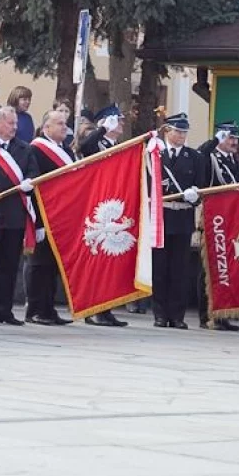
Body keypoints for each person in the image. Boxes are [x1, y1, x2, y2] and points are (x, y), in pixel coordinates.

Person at [0, 106, 38, 325]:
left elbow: (33, 172)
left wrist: (29, 182)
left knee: (9, 266)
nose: (15, 127)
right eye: (11, 123)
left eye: (15, 123)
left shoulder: (24, 148)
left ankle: (4, 310)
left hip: (14, 215)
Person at [77, 104, 130, 328]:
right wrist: (101, 129)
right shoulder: (97, 142)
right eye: (117, 120)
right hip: (97, 209)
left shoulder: (118, 146)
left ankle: (106, 309)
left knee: (109, 262)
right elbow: (83, 148)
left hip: (113, 206)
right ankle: (92, 309)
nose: (122, 124)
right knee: (96, 261)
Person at [25, 109, 73, 325]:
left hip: (62, 217)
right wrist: (37, 222)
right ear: (46, 127)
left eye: (65, 123)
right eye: (59, 123)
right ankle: (35, 310)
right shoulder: (36, 150)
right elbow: (35, 186)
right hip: (44, 215)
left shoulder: (66, 151)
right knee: (39, 265)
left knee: (53, 266)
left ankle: (48, 309)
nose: (65, 127)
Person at [152, 113, 201, 330]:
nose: (182, 135)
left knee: (179, 270)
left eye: (184, 132)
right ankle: (160, 314)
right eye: (178, 131)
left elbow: (200, 186)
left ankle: (177, 315)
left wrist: (195, 196)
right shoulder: (156, 155)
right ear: (167, 131)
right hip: (162, 217)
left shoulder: (194, 157)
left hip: (182, 217)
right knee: (160, 268)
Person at [195, 120, 239, 331]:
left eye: (235, 138)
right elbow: (199, 156)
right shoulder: (210, 156)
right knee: (209, 269)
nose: (234, 142)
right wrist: (214, 141)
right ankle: (207, 315)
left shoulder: (234, 161)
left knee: (226, 269)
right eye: (230, 138)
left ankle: (222, 314)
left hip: (230, 219)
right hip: (213, 219)